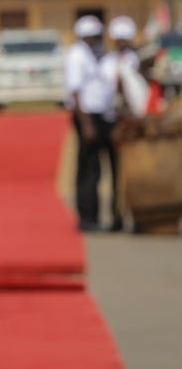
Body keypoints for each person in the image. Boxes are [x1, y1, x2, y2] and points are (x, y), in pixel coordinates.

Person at [64, 15, 121, 232]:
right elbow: (76, 92)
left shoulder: (102, 54)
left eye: (97, 36)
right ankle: (88, 218)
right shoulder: (77, 55)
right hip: (87, 116)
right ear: (82, 36)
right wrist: (86, 124)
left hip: (106, 115)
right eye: (90, 36)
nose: (95, 39)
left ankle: (116, 215)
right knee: (90, 168)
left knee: (113, 164)